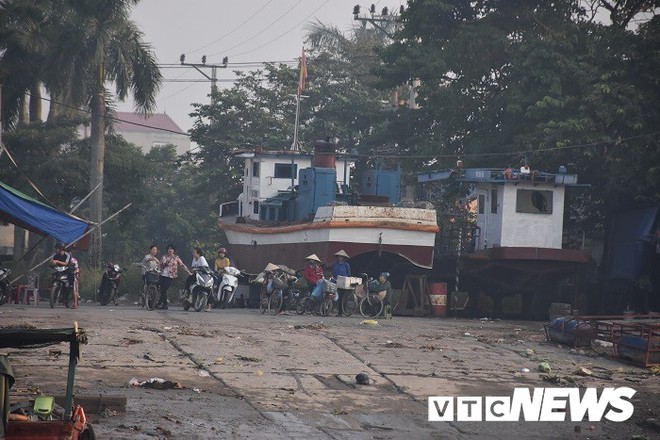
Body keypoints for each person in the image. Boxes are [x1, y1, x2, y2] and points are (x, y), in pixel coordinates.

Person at [158, 244, 191, 310]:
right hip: (163, 275)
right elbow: (160, 265)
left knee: (164, 289)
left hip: (170, 276)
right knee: (162, 290)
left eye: (171, 249)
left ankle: (159, 303)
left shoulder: (176, 258)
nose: (170, 250)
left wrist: (188, 272)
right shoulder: (164, 256)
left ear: (174, 250)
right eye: (169, 249)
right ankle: (165, 305)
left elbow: (182, 265)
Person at [332, 250, 351, 316]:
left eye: (341, 257)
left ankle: (341, 312)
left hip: (343, 282)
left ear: (343, 258)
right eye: (339, 256)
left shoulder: (346, 265)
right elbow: (334, 273)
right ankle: (335, 310)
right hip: (336, 281)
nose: (340, 258)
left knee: (342, 297)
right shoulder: (335, 264)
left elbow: (348, 274)